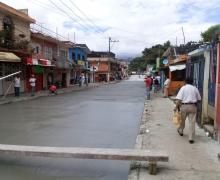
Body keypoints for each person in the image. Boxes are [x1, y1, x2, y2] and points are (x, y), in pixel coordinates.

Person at [174, 77, 201, 144]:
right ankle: (191, 138)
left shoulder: (183, 88)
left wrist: (176, 107)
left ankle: (180, 131)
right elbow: (199, 99)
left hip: (184, 106)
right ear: (192, 82)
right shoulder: (195, 88)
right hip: (193, 106)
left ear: (185, 81)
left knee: (182, 120)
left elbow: (179, 99)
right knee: (192, 123)